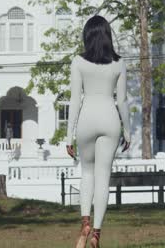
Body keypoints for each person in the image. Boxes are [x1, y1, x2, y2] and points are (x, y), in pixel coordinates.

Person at [66, 15, 131, 248]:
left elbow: (74, 99)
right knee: (103, 177)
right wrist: (128, 131)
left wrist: (68, 134)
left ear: (87, 36)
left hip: (87, 118)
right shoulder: (119, 63)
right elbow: (122, 100)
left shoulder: (78, 62)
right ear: (107, 36)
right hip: (110, 119)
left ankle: (85, 222)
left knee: (87, 174)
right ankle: (96, 234)